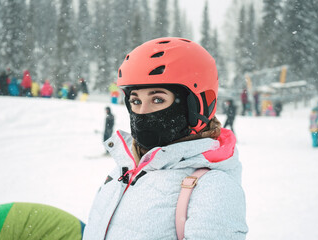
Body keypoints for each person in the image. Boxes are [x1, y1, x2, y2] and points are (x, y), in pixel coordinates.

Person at [83, 37, 248, 239]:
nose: (142, 112)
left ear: (196, 106)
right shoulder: (124, 168)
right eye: (135, 100)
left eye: (157, 99)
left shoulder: (213, 187)